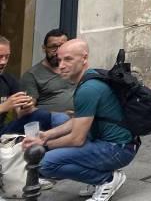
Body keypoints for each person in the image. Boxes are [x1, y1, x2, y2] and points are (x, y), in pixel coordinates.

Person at [22, 39, 137, 201]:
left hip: (118, 149)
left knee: (45, 163)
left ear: (84, 58)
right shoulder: (90, 77)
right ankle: (101, 176)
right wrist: (47, 135)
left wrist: (44, 145)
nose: (61, 65)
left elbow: (77, 139)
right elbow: (77, 119)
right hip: (116, 142)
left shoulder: (88, 89)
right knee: (61, 119)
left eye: (68, 59)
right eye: (60, 59)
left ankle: (106, 179)